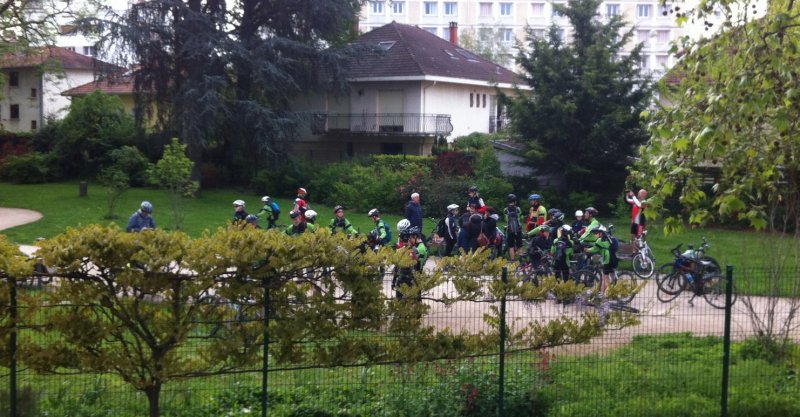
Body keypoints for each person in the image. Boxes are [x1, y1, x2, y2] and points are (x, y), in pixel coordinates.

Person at [585, 226, 612, 293]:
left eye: (596, 233)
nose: (595, 235)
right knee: (607, 276)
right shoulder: (607, 238)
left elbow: (595, 249)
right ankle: (605, 290)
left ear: (601, 233)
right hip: (610, 257)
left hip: (606, 259)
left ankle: (603, 293)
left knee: (604, 277)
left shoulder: (599, 240)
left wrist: (587, 250)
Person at [503, 194, 524, 261]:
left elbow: (506, 219)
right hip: (518, 229)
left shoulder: (505, 210)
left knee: (511, 246)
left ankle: (512, 259)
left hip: (510, 230)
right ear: (515, 201)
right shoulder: (518, 209)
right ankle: (521, 259)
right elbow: (520, 217)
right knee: (519, 245)